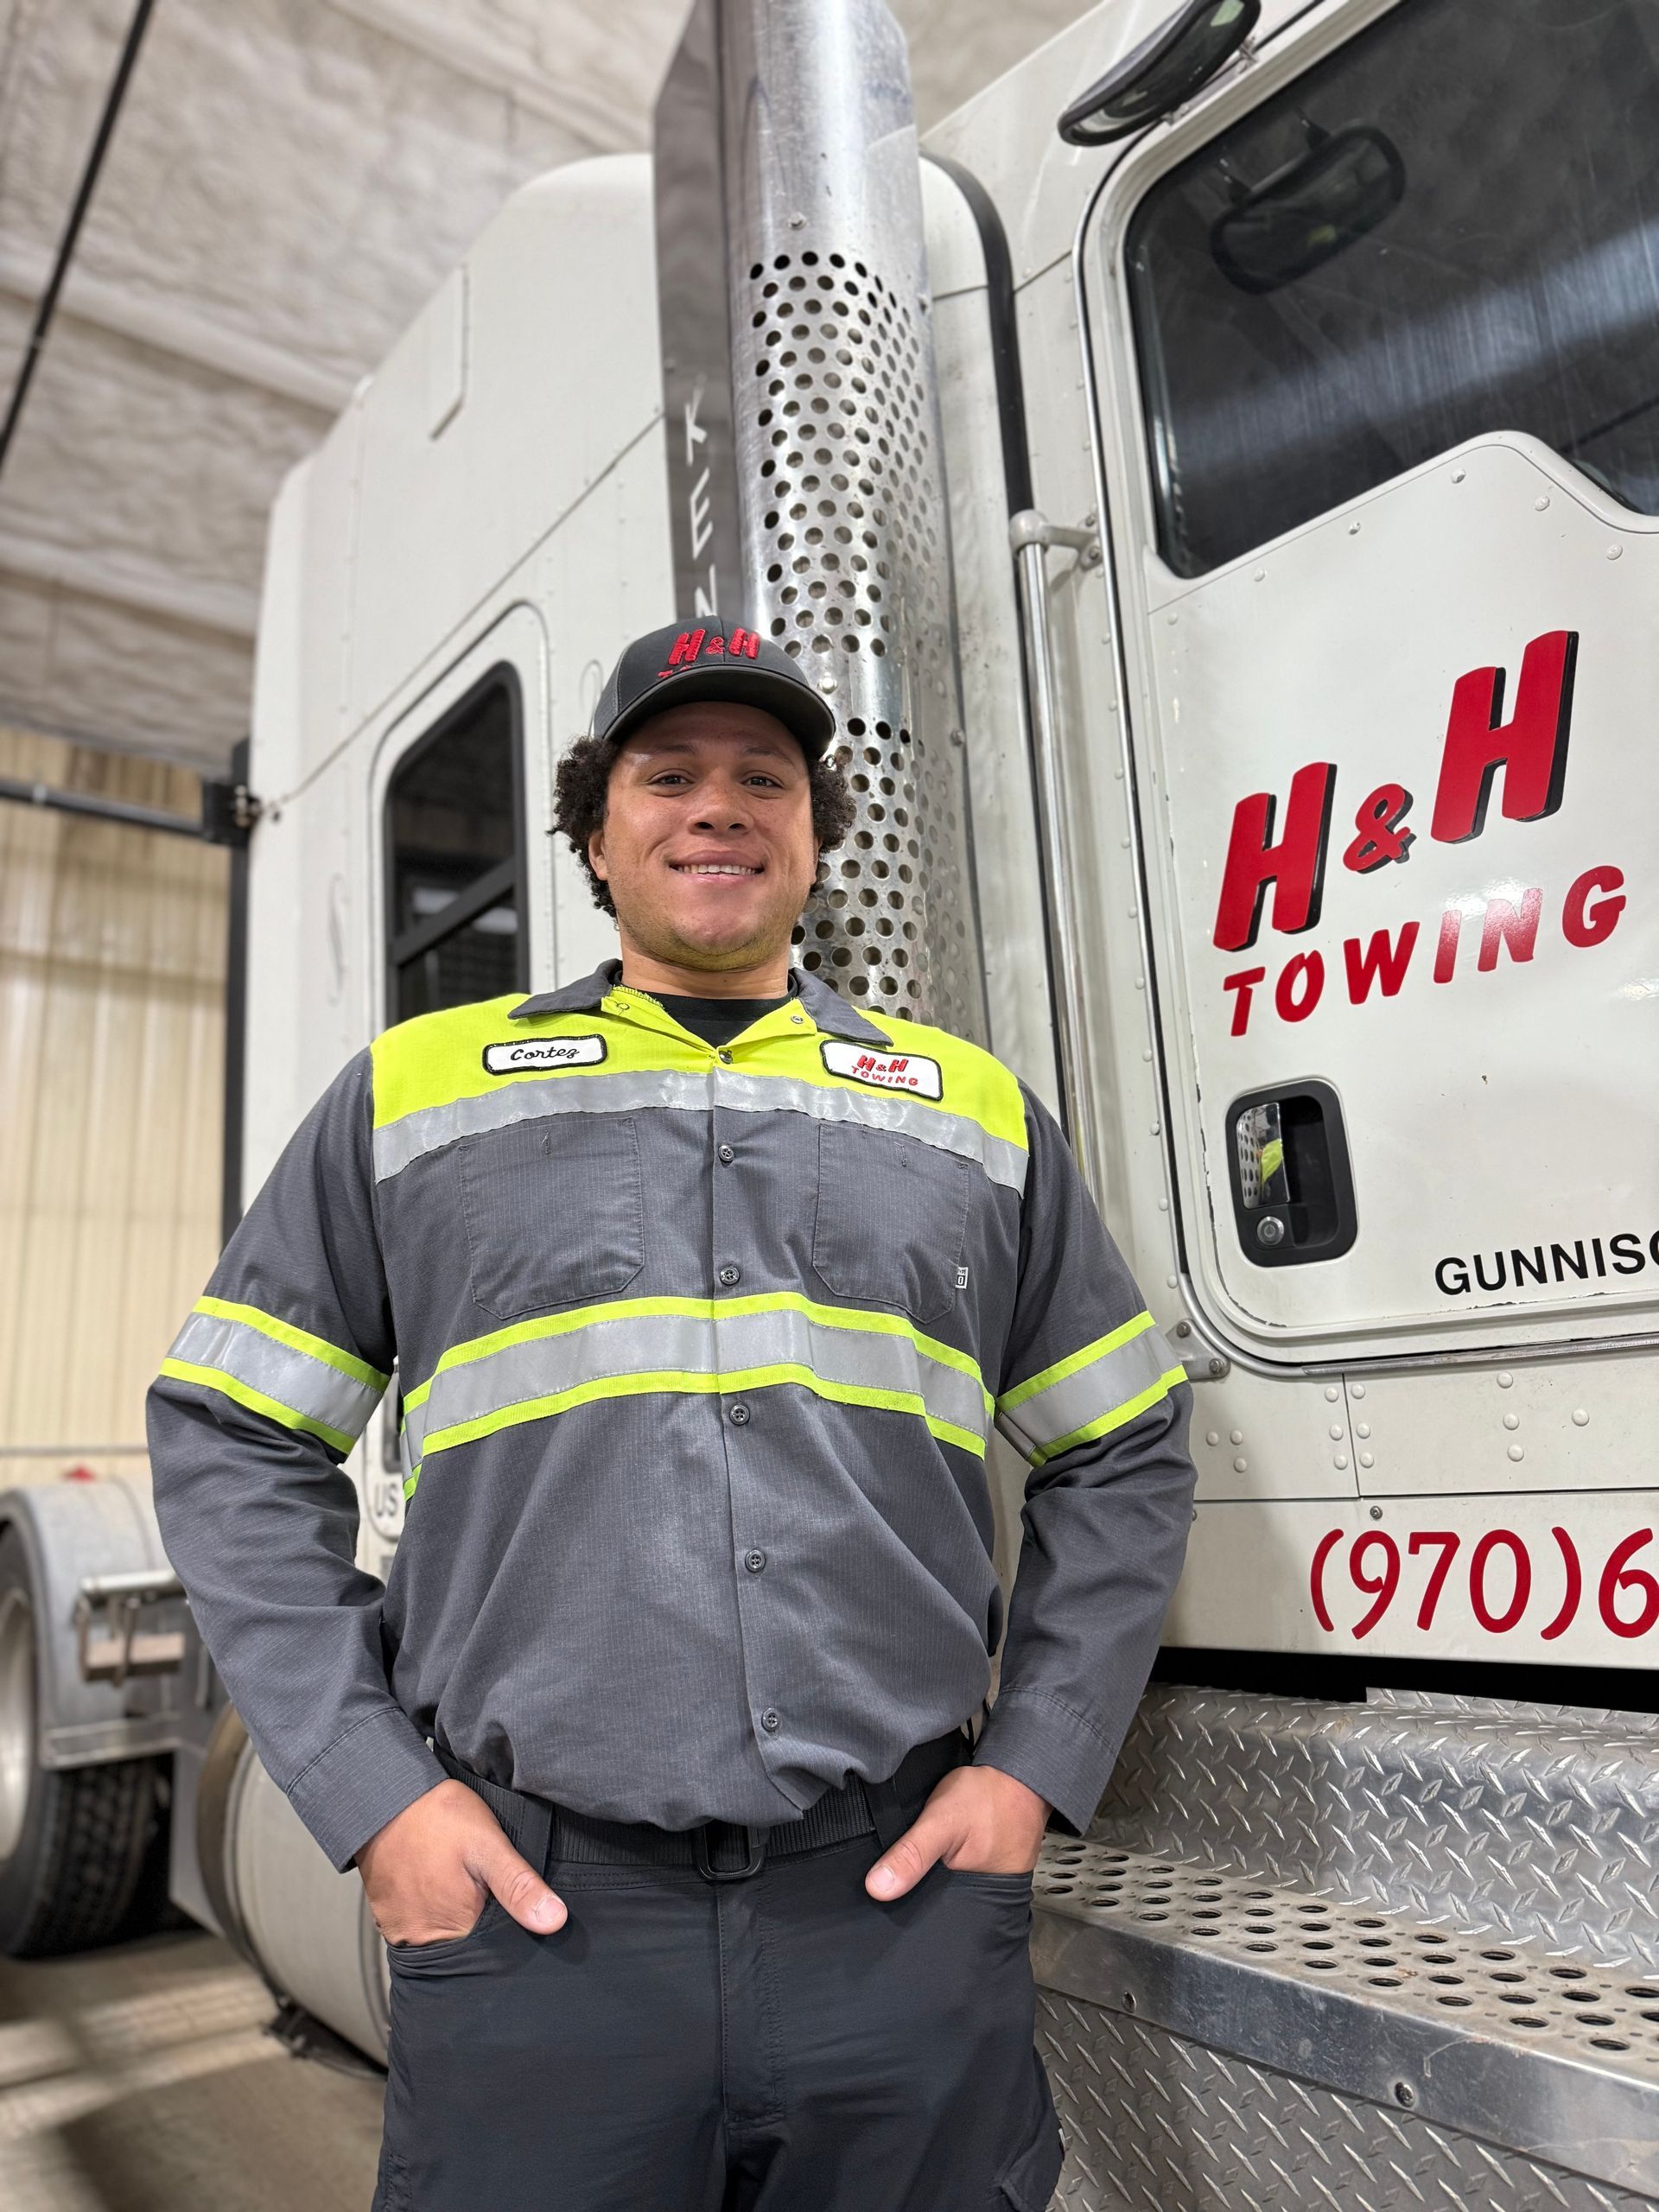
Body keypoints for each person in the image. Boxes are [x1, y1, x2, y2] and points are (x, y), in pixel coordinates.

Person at [147, 617, 1196, 2211]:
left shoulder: (972, 1117)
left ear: (815, 836)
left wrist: (1036, 1764)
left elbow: (1121, 1442)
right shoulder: (424, 1096)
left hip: (894, 1915)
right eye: (670, 773)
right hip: (538, 1925)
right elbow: (230, 1433)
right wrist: (379, 1803)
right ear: (595, 829)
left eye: (764, 777)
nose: (720, 806)